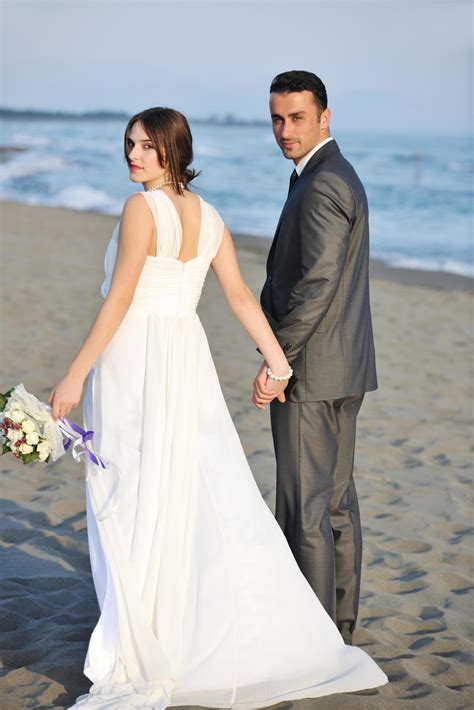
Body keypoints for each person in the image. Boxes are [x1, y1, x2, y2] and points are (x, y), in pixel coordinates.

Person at [48, 106, 387, 708]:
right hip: (183, 357)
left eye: (148, 148)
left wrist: (75, 375)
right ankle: (179, 618)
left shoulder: (139, 209)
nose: (134, 156)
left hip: (135, 359)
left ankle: (150, 629)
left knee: (131, 490)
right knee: (177, 484)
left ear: (175, 152)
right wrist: (277, 361)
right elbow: (237, 297)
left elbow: (121, 297)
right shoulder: (210, 217)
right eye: (129, 144)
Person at [254, 70, 378, 646]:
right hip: (345, 368)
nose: (285, 130)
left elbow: (318, 282)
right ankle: (339, 631)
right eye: (278, 118)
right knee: (334, 504)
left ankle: (314, 640)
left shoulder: (324, 182)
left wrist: (279, 360)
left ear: (325, 117)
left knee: (308, 509)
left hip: (312, 374)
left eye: (297, 117)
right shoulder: (329, 174)